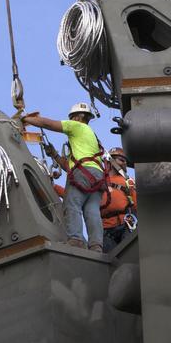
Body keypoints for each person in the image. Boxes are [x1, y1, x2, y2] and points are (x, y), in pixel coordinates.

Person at [22, 103, 106, 250]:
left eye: (73, 117)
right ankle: (96, 245)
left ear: (79, 117)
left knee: (72, 204)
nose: (72, 119)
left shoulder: (77, 126)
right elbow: (69, 166)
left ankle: (76, 239)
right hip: (97, 176)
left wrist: (26, 119)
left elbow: (48, 124)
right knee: (91, 210)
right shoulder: (91, 136)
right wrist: (54, 154)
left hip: (83, 173)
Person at [100, 147, 137, 252]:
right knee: (112, 261)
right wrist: (53, 187)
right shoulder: (98, 182)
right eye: (121, 159)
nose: (124, 163)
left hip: (126, 224)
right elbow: (78, 195)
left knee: (129, 252)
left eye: (125, 160)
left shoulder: (129, 182)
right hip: (105, 229)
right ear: (110, 161)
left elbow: (138, 205)